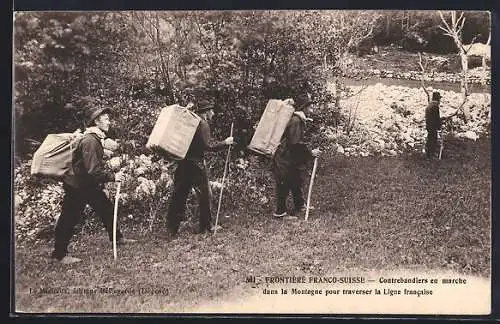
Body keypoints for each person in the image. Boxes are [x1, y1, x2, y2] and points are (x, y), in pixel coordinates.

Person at [51, 106, 136, 265]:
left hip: (87, 184)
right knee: (69, 218)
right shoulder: (91, 140)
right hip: (78, 186)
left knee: (106, 208)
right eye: (106, 119)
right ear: (96, 121)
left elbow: (90, 163)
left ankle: (118, 238)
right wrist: (113, 176)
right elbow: (93, 171)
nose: (109, 122)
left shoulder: (95, 138)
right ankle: (59, 254)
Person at [165, 100, 234, 236]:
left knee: (179, 195)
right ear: (206, 112)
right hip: (196, 165)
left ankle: (171, 228)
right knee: (205, 195)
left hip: (183, 163)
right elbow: (209, 145)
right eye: (211, 111)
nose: (213, 113)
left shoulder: (191, 123)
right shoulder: (203, 124)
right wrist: (225, 143)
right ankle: (206, 227)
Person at [272, 95, 320, 218]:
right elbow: (295, 144)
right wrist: (310, 153)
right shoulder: (296, 121)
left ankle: (299, 205)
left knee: (296, 180)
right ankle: (280, 212)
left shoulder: (298, 120)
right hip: (284, 158)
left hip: (290, 158)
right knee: (284, 184)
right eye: (310, 108)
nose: (312, 111)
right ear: (304, 108)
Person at [425, 92, 442, 159]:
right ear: (437, 98)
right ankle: (431, 154)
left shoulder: (430, 105)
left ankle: (428, 153)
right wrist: (439, 126)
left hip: (428, 124)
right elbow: (436, 117)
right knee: (433, 139)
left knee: (430, 138)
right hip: (432, 125)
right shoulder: (435, 106)